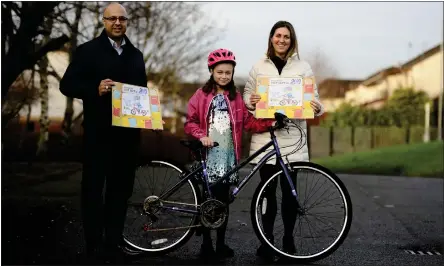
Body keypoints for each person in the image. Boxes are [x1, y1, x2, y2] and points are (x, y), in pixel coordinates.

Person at [59, 3, 147, 263]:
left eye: (122, 18)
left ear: (127, 22)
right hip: (98, 134)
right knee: (93, 191)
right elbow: (67, 85)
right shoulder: (88, 51)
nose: (117, 23)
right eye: (112, 19)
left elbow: (141, 92)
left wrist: (147, 116)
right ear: (103, 21)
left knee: (121, 192)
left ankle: (114, 243)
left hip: (127, 136)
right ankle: (93, 246)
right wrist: (94, 88)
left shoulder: (136, 55)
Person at [242, 21, 324, 261]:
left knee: (290, 194)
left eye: (286, 36)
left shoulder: (303, 67)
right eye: (278, 35)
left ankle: (288, 239)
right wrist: (251, 100)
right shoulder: (259, 66)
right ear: (271, 38)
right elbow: (248, 94)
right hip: (265, 138)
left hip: (292, 140)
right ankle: (267, 241)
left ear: (292, 40)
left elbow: (314, 99)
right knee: (266, 194)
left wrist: (317, 107)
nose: (282, 40)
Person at [184, 48, 276, 260]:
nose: (224, 76)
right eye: (220, 72)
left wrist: (270, 122)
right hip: (208, 157)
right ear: (211, 71)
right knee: (208, 201)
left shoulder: (235, 99)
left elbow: (249, 123)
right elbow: (190, 122)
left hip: (227, 158)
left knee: (223, 202)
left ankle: (221, 244)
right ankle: (206, 244)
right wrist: (201, 135)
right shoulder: (201, 95)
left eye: (228, 72)